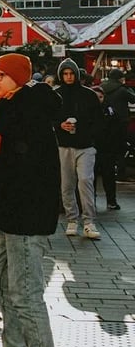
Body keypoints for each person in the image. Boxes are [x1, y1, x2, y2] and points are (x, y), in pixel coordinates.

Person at [0, 53, 62, 347]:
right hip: (12, 215)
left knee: (26, 294)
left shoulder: (27, 113)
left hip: (26, 216)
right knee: (3, 284)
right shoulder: (11, 107)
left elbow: (17, 174)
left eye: (1, 75)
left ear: (18, 78)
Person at [54, 58, 103, 239]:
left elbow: (98, 121)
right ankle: (72, 219)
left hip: (85, 146)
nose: (68, 77)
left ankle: (88, 221)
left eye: (71, 73)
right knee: (67, 184)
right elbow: (49, 119)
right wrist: (60, 125)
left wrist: (85, 133)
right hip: (65, 145)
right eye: (65, 74)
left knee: (85, 181)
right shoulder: (56, 94)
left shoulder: (88, 95)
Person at [98, 68, 132, 211]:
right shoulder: (122, 90)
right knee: (112, 165)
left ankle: (89, 202)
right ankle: (112, 199)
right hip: (119, 127)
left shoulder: (102, 88)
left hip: (96, 143)